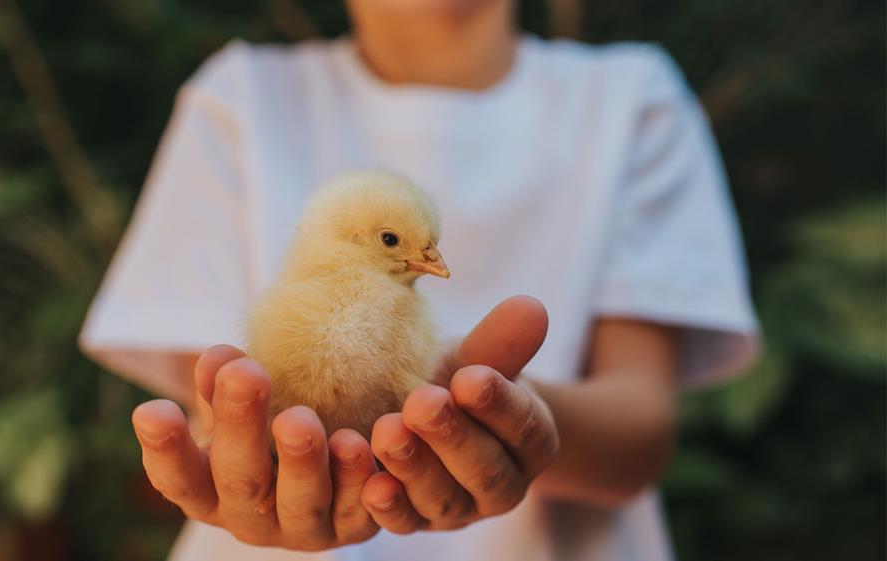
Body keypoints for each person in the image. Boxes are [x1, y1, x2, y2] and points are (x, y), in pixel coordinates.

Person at [79, 0, 760, 559]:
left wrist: (515, 419)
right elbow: (229, 403)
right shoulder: (239, 96)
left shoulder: (633, 99)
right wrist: (245, 478)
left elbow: (641, 428)